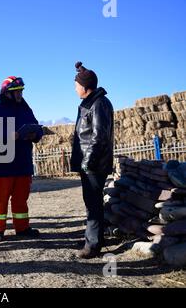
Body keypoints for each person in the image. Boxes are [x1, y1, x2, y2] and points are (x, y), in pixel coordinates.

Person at [0, 76, 43, 242]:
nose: (20, 94)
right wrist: (12, 136)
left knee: (21, 199)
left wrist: (35, 134)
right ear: (6, 93)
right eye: (16, 91)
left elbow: (38, 127)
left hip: (23, 163)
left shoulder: (25, 108)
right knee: (0, 200)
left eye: (21, 91)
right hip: (4, 164)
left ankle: (22, 228)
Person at [70, 61, 114, 259]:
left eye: (76, 84)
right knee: (92, 202)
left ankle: (93, 246)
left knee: (93, 204)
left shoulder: (99, 104)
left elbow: (99, 136)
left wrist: (88, 161)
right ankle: (94, 238)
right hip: (89, 163)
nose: (75, 88)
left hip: (94, 165)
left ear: (85, 86)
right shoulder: (90, 103)